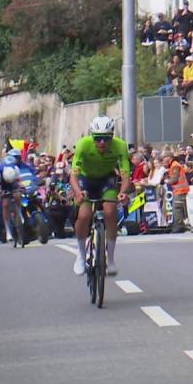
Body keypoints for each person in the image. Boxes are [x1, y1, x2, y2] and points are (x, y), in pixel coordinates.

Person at [70, 117, 130, 277]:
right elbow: (73, 175)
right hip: (86, 179)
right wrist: (77, 192)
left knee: (110, 212)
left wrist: (123, 192)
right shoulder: (83, 144)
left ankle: (110, 258)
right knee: (84, 215)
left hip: (106, 179)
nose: (102, 142)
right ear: (92, 136)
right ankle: (81, 255)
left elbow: (125, 175)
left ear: (112, 136)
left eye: (106, 138)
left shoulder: (120, 146)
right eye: (98, 138)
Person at [0, 152, 22, 242]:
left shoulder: (16, 169)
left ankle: (19, 212)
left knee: (17, 195)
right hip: (4, 186)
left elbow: (19, 182)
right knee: (5, 205)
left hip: (14, 184)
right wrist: (0, 192)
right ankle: (8, 230)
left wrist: (21, 187)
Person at [163, 151, 190, 233]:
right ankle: (180, 225)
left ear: (169, 157)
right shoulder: (173, 165)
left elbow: (175, 179)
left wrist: (167, 181)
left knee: (177, 208)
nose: (163, 159)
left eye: (164, 157)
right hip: (178, 190)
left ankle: (179, 226)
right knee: (178, 208)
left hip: (180, 190)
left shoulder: (175, 165)